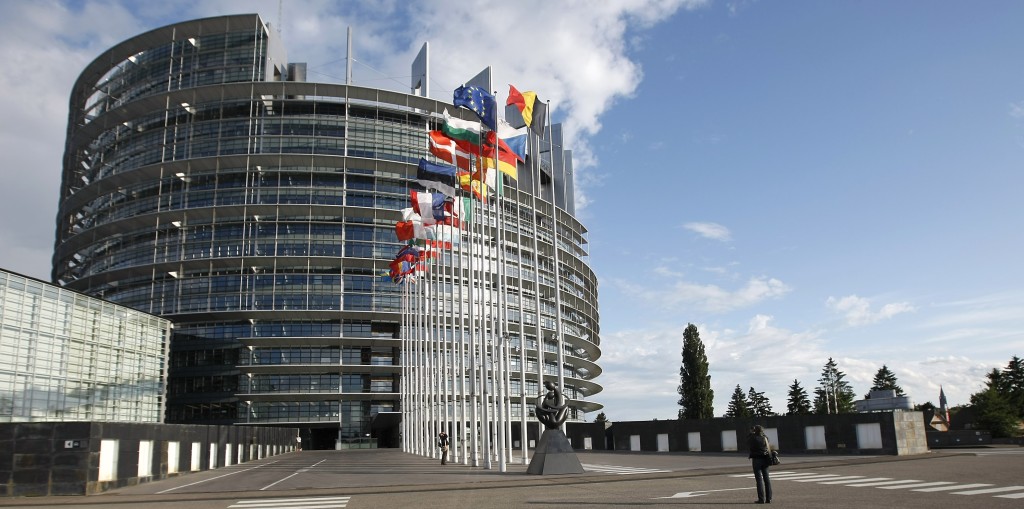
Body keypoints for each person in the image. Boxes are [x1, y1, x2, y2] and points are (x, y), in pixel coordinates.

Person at [747, 425, 773, 504]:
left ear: (755, 430)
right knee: (767, 479)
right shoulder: (765, 438)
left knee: (759, 480)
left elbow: (748, 443)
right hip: (765, 459)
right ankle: (769, 498)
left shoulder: (753, 438)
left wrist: (751, 433)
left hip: (757, 460)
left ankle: (761, 499)